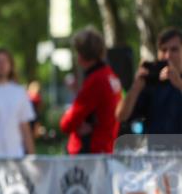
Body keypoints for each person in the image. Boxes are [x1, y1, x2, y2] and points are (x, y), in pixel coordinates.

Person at [60, 27, 121, 155]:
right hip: (106, 147)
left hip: (92, 152)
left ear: (81, 55)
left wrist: (70, 117)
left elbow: (67, 123)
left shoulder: (96, 80)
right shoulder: (110, 75)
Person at [116, 26, 182, 136]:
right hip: (156, 150)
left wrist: (179, 84)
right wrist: (136, 87)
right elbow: (121, 116)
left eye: (174, 49)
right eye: (163, 50)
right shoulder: (151, 83)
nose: (168, 55)